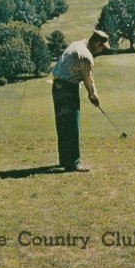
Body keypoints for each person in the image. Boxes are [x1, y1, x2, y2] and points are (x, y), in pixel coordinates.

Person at [51, 29, 110, 172]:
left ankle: (65, 160)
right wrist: (94, 96)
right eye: (102, 47)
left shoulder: (78, 44)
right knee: (72, 125)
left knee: (63, 125)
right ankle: (73, 163)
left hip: (57, 87)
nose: (102, 50)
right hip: (67, 89)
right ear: (96, 43)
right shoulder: (86, 56)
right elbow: (88, 80)